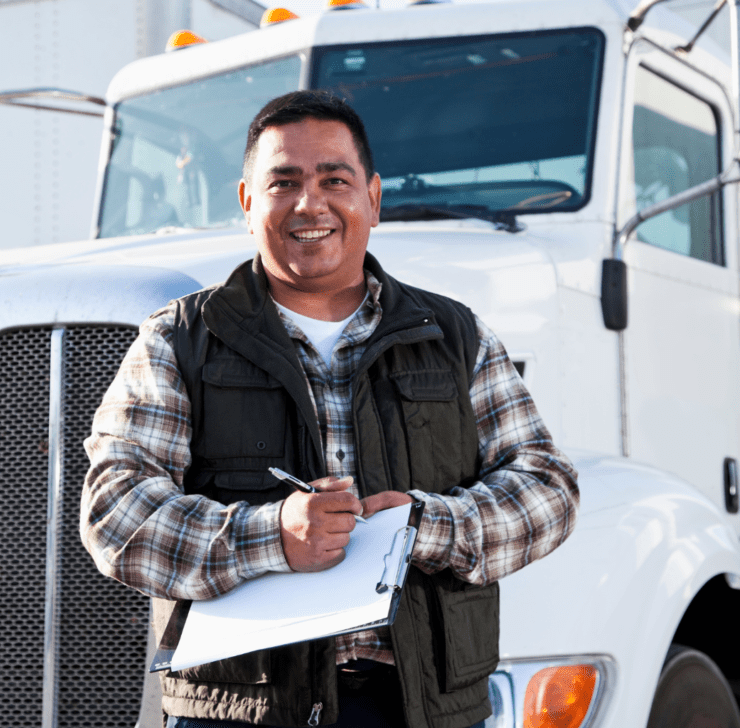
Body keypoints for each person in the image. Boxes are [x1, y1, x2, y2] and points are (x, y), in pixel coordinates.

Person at [81, 90, 579, 728]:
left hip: (424, 707)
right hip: (242, 712)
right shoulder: (177, 339)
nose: (309, 204)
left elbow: (548, 488)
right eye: (282, 182)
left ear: (372, 197)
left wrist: (428, 524)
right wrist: (272, 536)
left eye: (333, 180)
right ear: (247, 201)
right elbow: (114, 512)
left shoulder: (456, 335)